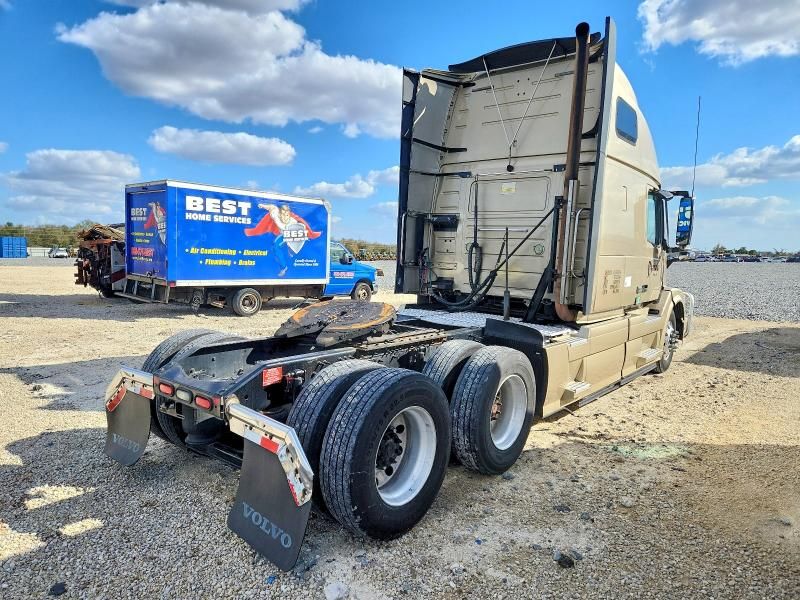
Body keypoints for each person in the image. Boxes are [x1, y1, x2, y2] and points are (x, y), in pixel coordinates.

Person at [244, 203, 321, 276]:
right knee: (275, 247)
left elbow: (298, 234)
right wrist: (263, 205)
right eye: (283, 215)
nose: (285, 217)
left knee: (287, 248)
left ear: (289, 214)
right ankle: (284, 267)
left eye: (287, 215)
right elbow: (272, 207)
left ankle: (289, 254)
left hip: (292, 234)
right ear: (280, 214)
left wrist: (292, 245)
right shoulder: (275, 215)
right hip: (284, 234)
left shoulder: (293, 222)